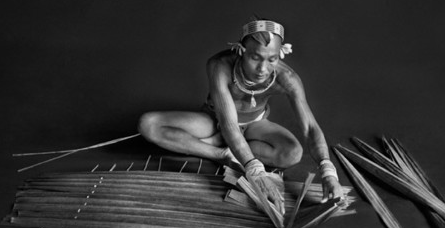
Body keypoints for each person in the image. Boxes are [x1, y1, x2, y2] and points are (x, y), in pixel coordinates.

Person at [139, 18, 346, 210]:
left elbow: (310, 128)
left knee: (292, 153)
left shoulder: (287, 79)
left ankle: (227, 149)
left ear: (281, 54)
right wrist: (256, 172)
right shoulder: (219, 65)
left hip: (255, 125)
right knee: (149, 124)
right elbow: (228, 124)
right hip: (216, 121)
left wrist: (328, 172)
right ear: (241, 51)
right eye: (255, 57)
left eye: (272, 59)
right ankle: (221, 154)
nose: (263, 68)